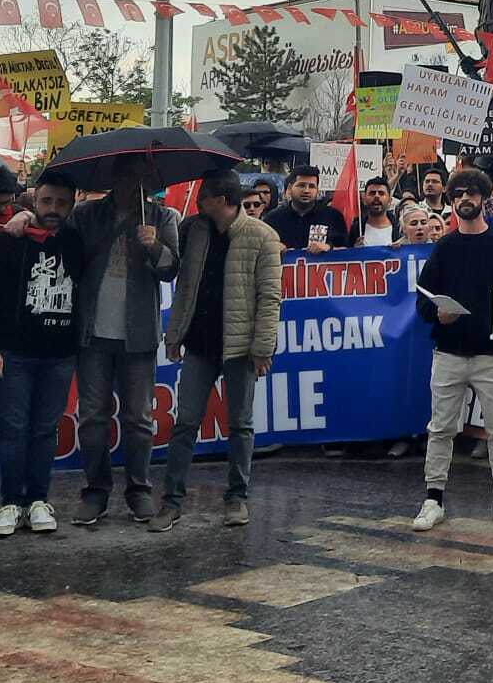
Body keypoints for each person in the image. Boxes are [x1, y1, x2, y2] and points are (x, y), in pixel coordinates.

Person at [152, 171, 283, 531]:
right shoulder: (194, 230)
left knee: (240, 425)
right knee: (185, 423)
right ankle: (171, 501)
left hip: (240, 348)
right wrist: (175, 335)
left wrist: (262, 348)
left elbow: (270, 298)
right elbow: (177, 277)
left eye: (205, 196)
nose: (198, 200)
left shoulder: (262, 237)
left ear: (223, 200)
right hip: (198, 343)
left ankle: (237, 497)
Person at [66, 154, 181, 527]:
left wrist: (154, 246)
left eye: (142, 176)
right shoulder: (86, 216)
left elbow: (170, 270)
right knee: (92, 418)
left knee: (139, 419)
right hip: (92, 333)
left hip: (139, 334)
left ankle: (139, 490)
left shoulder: (163, 218)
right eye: (129, 176)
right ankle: (96, 490)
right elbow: (68, 256)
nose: (135, 183)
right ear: (115, 179)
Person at [414, 168, 493, 532]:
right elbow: (422, 301)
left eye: (471, 193)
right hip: (447, 352)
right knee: (441, 428)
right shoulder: (444, 247)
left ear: (483, 198)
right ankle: (433, 499)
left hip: (490, 354)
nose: (465, 199)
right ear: (451, 201)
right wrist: (437, 314)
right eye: (458, 194)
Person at [0, 169, 86, 538]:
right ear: (33, 199)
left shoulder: (78, 241)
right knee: (13, 429)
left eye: (61, 202)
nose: (53, 209)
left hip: (60, 355)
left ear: (72, 204)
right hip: (13, 353)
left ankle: (39, 499)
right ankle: (10, 502)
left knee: (44, 430)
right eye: (46, 201)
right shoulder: (8, 241)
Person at [265, 165, 353, 252]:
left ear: (317, 189)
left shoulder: (333, 216)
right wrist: (273, 247)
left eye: (311, 186)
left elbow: (347, 251)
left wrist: (329, 247)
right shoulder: (273, 218)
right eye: (301, 185)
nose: (306, 191)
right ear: (290, 188)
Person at [355, 175, 396, 246]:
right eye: (372, 193)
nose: (376, 196)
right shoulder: (356, 229)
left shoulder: (400, 228)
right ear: (364, 199)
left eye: (381, 193)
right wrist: (354, 251)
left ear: (390, 200)